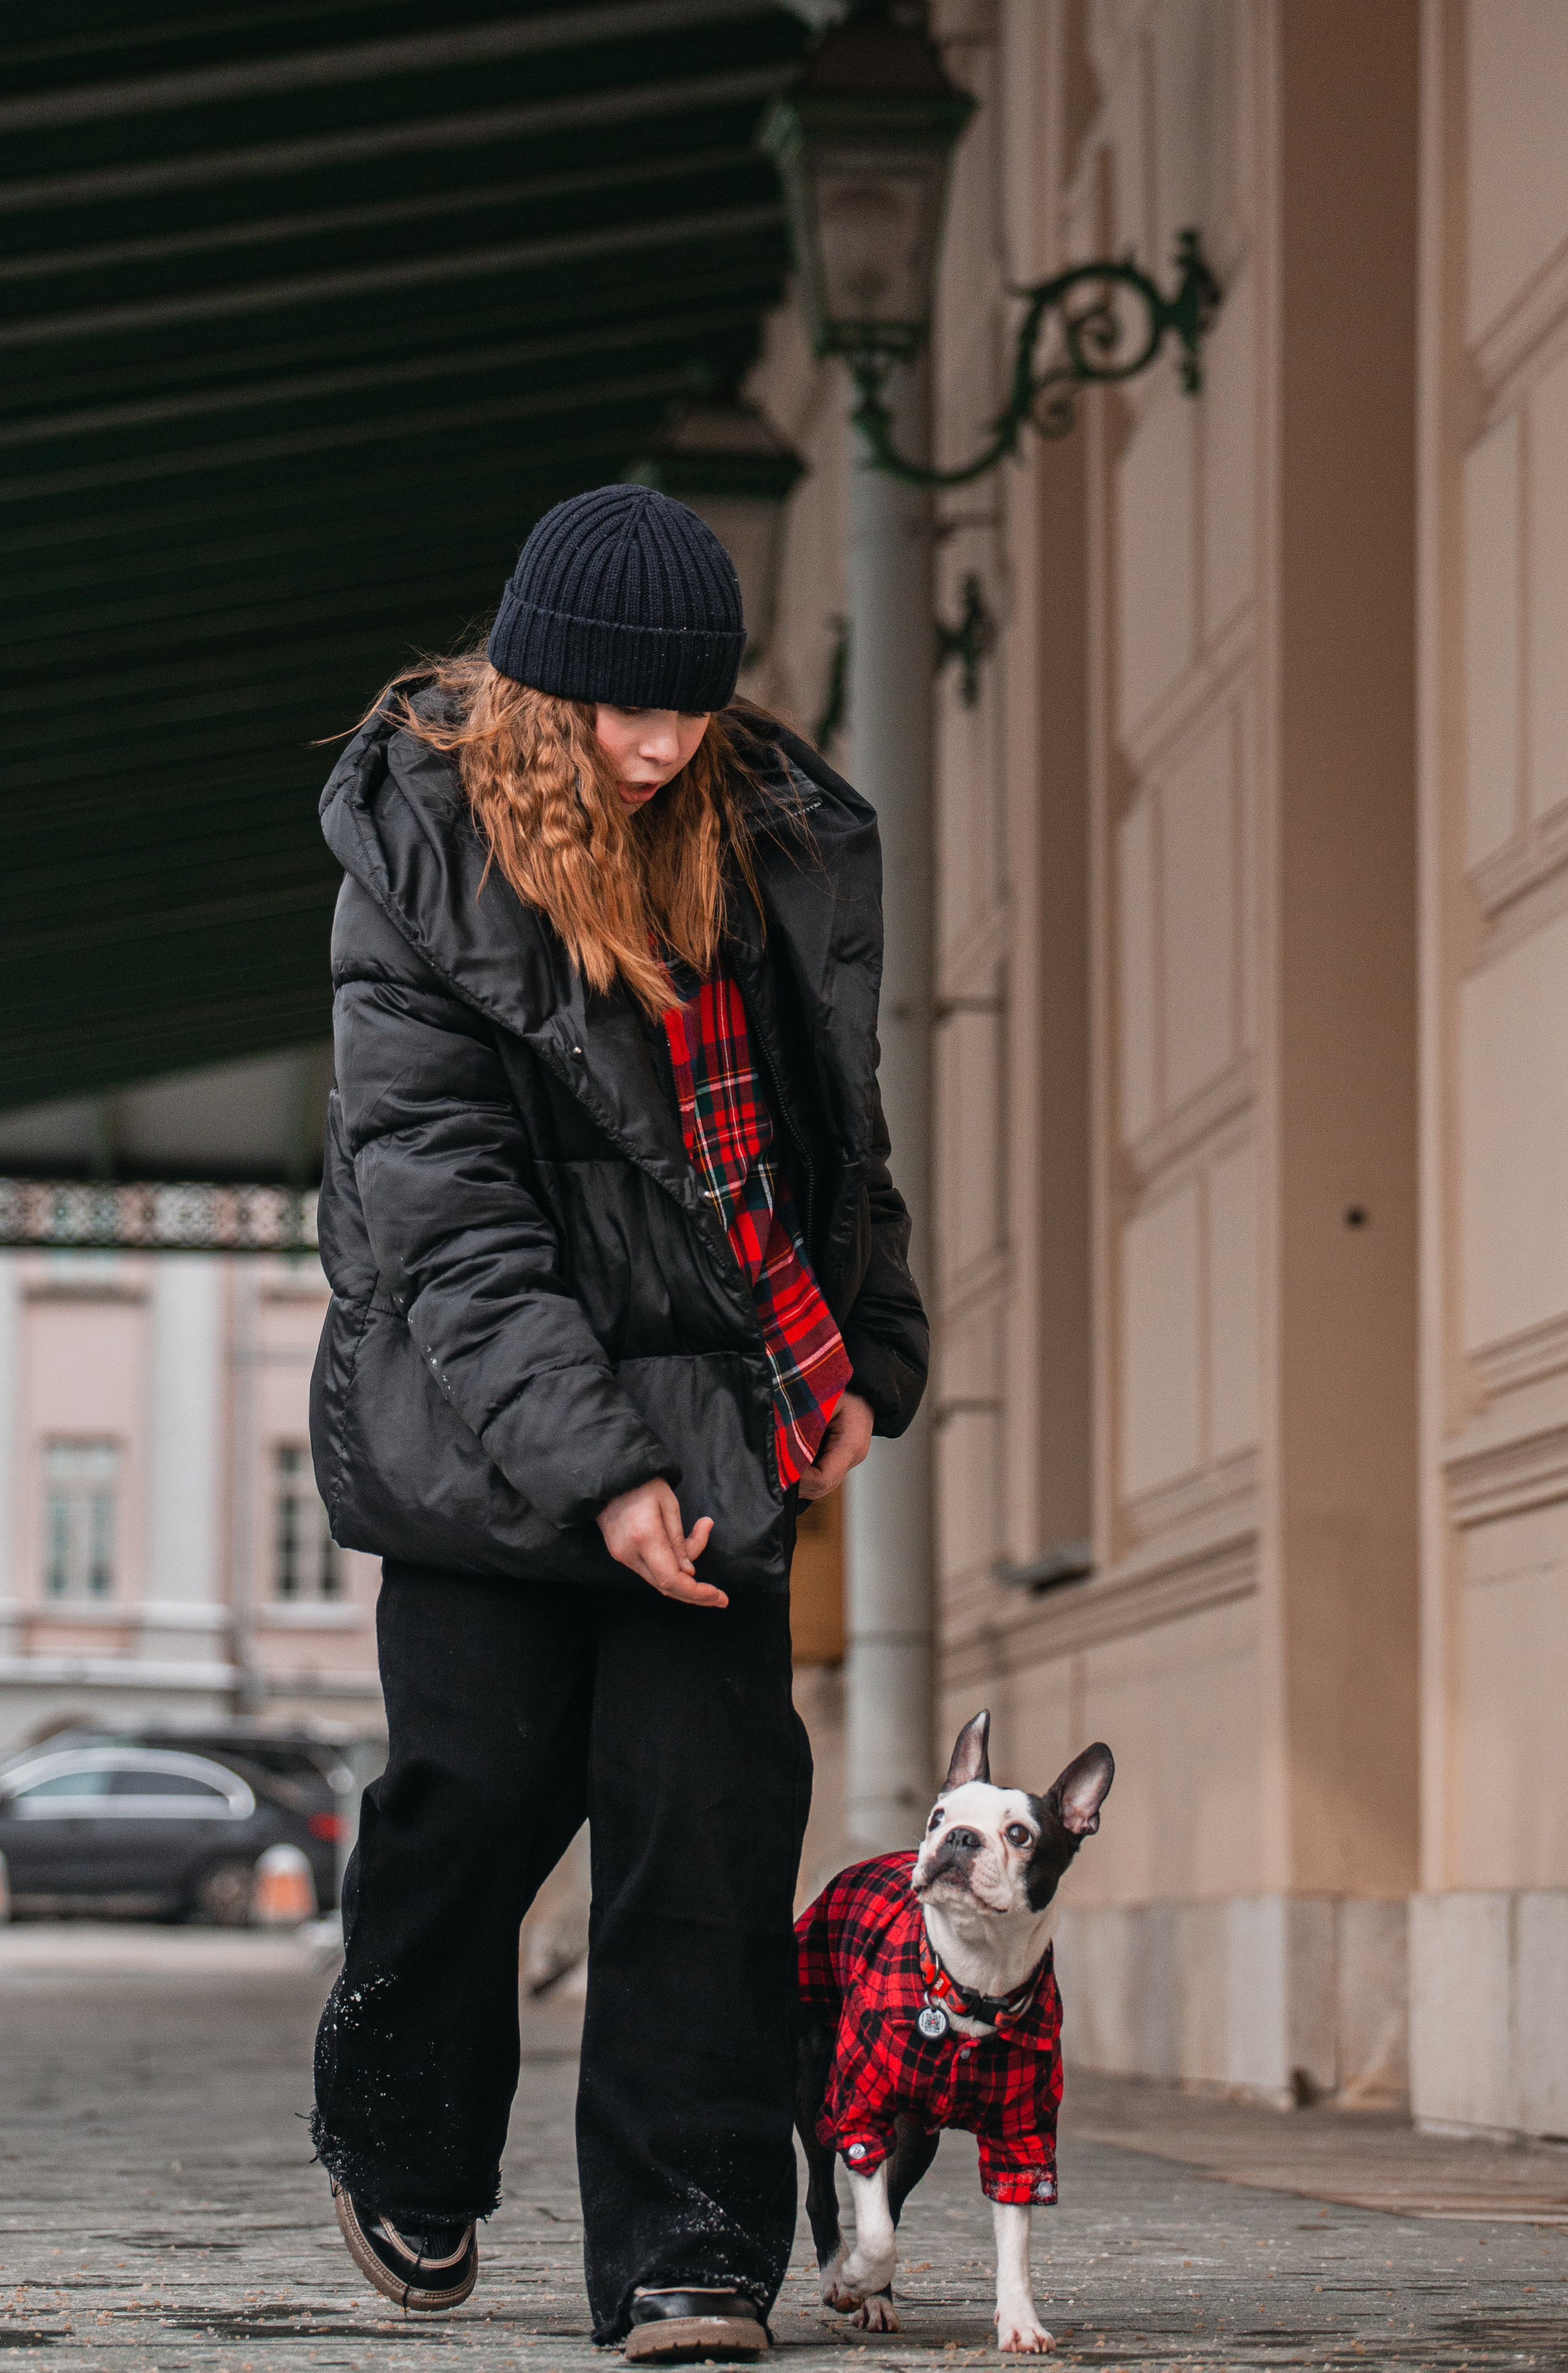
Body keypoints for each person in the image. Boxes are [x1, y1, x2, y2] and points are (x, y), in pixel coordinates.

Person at [306, 483, 928, 2355]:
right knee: (475, 1797)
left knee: (707, 1828)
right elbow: (447, 1219)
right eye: (621, 710)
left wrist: (872, 1354)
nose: (659, 745)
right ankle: (404, 2140)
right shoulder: (417, 850)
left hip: (725, 1415)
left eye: (690, 709)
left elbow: (837, 1135)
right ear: (537, 686)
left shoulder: (787, 842)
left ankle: (692, 2247)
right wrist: (604, 1470)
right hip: (481, 1426)